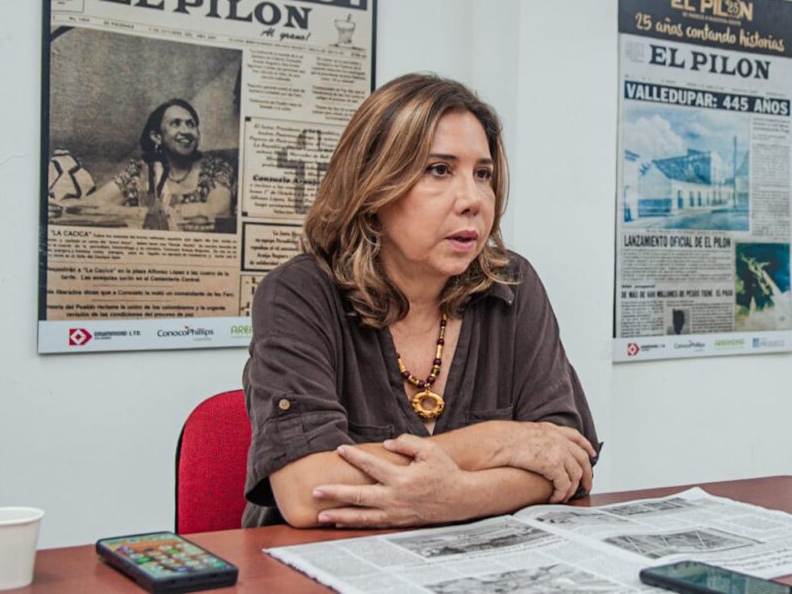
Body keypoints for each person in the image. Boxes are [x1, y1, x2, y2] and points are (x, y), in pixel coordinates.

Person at [242, 73, 599, 529]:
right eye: (439, 170)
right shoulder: (298, 293)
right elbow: (307, 491)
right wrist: (496, 442)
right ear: (373, 187)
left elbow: (569, 464)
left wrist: (457, 498)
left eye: (483, 174)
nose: (472, 200)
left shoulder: (513, 284)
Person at [83, 99, 235, 231]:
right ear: (156, 136)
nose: (186, 131)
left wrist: (135, 215)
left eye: (191, 124)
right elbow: (89, 206)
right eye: (176, 124)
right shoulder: (138, 172)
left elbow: (219, 211)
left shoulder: (215, 168)